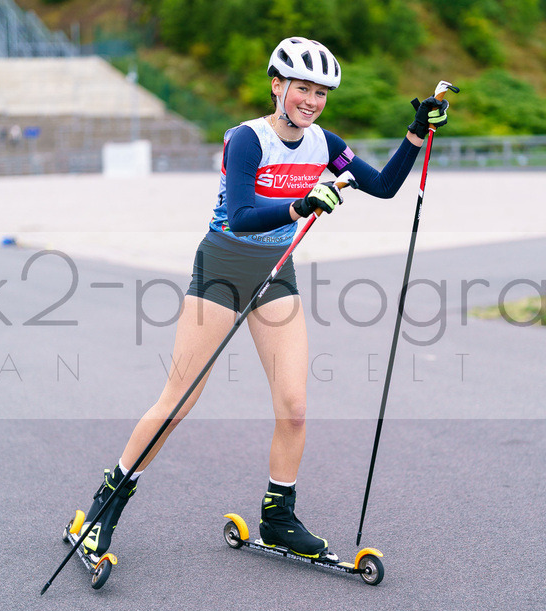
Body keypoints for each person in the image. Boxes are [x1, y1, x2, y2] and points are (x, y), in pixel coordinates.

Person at [76, 36, 449, 563]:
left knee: (295, 406)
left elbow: (385, 186)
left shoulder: (326, 143)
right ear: (278, 86)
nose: (312, 101)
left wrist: (416, 135)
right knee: (179, 401)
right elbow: (242, 216)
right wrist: (300, 205)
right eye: (302, 88)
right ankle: (102, 507)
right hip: (225, 266)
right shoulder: (247, 140)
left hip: (276, 272)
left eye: (321, 93)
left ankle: (277, 517)